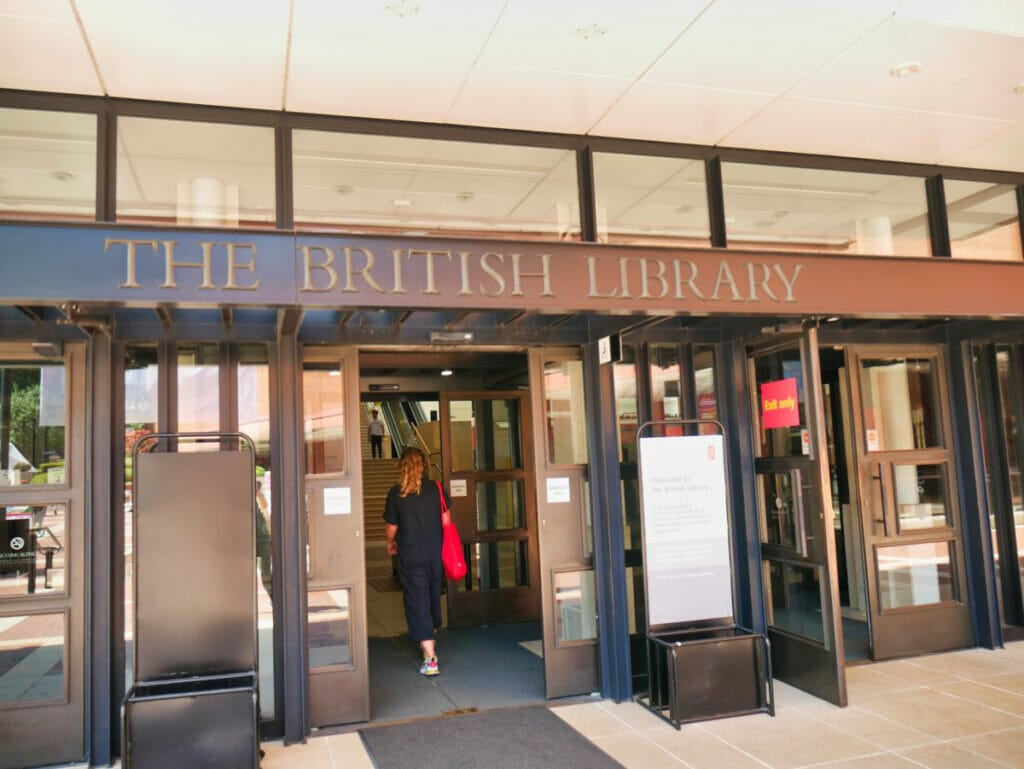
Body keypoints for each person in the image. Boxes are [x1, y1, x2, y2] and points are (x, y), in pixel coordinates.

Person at [383, 447, 447, 676]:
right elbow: (446, 519)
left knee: (417, 601)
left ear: (401, 465)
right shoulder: (435, 489)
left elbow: (392, 527)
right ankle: (429, 637)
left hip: (411, 556)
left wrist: (391, 542)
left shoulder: (396, 493)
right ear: (423, 466)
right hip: (434, 554)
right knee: (431, 597)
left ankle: (430, 658)